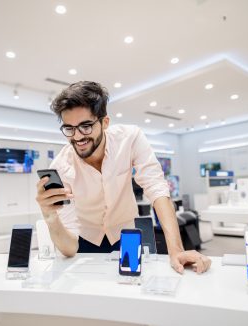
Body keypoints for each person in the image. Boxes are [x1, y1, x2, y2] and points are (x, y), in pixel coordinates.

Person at [35, 81, 211, 274]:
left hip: (127, 235)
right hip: (85, 240)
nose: (77, 137)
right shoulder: (61, 167)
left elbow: (156, 188)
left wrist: (176, 250)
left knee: (132, 286)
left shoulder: (130, 138)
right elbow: (69, 249)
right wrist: (50, 216)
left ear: (104, 122)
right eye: (69, 128)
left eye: (85, 126)